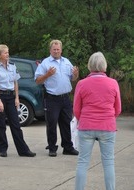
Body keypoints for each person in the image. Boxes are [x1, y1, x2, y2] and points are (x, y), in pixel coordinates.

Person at [74, 52, 121, 190]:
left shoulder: (82, 84)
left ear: (89, 66)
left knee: (82, 162)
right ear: (104, 66)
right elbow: (118, 108)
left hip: (86, 126)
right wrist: (109, 118)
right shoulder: (113, 83)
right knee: (108, 162)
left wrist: (82, 120)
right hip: (107, 126)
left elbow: (76, 109)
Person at [0, 44, 36, 158]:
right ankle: (3, 149)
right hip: (0, 96)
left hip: (10, 96)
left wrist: (17, 98)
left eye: (8, 52)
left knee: (16, 124)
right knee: (1, 124)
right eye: (5, 53)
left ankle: (23, 150)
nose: (7, 55)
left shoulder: (12, 66)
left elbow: (15, 83)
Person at [34, 39, 79, 157]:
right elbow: (37, 81)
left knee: (66, 123)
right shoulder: (45, 63)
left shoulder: (66, 62)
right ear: (50, 50)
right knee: (52, 123)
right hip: (52, 98)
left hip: (65, 98)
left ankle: (68, 147)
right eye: (54, 49)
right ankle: (52, 148)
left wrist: (75, 74)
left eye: (58, 49)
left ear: (61, 50)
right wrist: (47, 75)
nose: (56, 51)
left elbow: (73, 79)